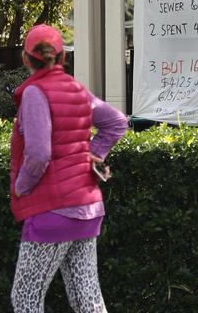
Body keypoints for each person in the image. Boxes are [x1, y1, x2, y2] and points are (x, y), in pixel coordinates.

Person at [10, 24, 128, 313]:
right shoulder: (77, 91)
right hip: (87, 208)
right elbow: (117, 122)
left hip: (52, 210)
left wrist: (21, 187)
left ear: (26, 59)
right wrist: (91, 154)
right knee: (87, 299)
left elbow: (38, 154)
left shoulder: (35, 93)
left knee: (26, 298)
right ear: (62, 58)